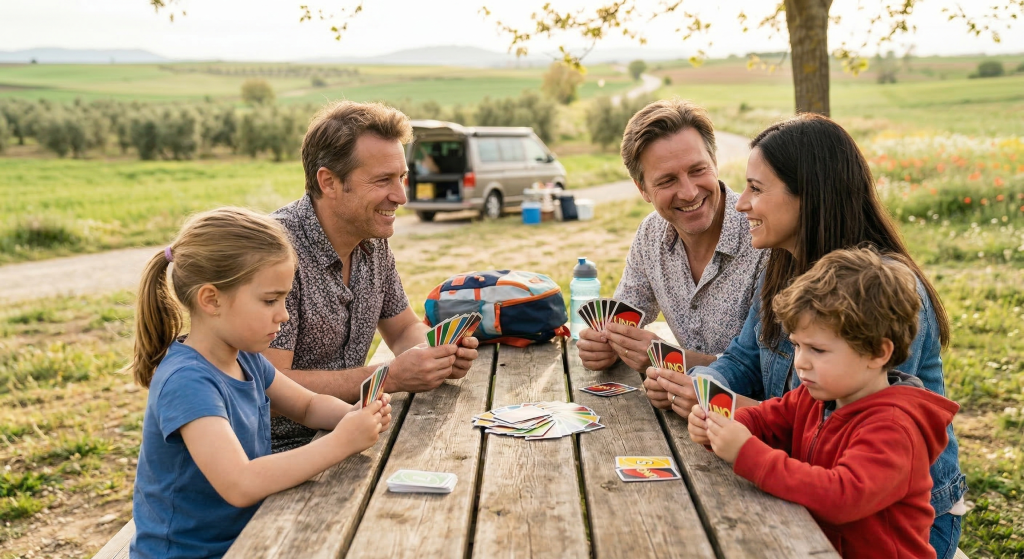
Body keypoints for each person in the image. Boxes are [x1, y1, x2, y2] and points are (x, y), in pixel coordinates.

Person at [651, 113, 966, 558]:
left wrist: (740, 428)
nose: (741, 205)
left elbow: (845, 443)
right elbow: (742, 360)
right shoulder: (788, 269)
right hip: (814, 494)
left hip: (895, 527)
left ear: (810, 196)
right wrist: (704, 391)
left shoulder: (886, 291)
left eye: (757, 189)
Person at [128, 207, 392, 559]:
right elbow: (240, 483)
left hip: (250, 535)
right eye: (270, 300)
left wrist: (352, 415)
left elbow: (307, 406)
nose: (283, 313)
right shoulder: (187, 381)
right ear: (211, 300)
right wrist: (341, 443)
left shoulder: (244, 356)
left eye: (284, 298)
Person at [691, 247, 958, 559]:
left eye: (817, 350)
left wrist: (747, 454)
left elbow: (842, 496)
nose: (801, 362)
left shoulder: (895, 427)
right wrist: (722, 426)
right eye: (796, 346)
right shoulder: (818, 395)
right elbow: (766, 419)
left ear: (877, 353)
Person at [266, 101, 479, 452]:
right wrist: (389, 377)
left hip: (351, 432)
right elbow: (269, 388)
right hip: (279, 454)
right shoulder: (275, 251)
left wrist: (436, 354)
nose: (401, 196)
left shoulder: (371, 239)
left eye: (402, 177)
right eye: (383, 180)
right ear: (329, 181)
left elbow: (402, 328)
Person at [577, 99, 766, 373]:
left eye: (698, 170)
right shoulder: (650, 234)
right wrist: (606, 345)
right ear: (642, 189)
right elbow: (622, 318)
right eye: (667, 181)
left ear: (715, 163)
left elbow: (771, 371)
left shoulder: (765, 237)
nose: (689, 192)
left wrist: (669, 358)